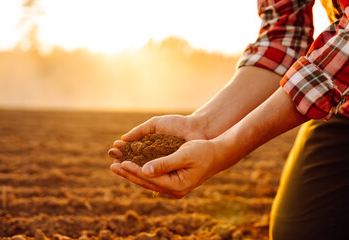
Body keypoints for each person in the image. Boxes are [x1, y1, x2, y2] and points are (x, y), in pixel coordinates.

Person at [109, 0, 349, 239]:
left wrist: (226, 148)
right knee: (302, 231)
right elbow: (283, 37)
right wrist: (203, 125)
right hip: (344, 101)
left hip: (339, 80)